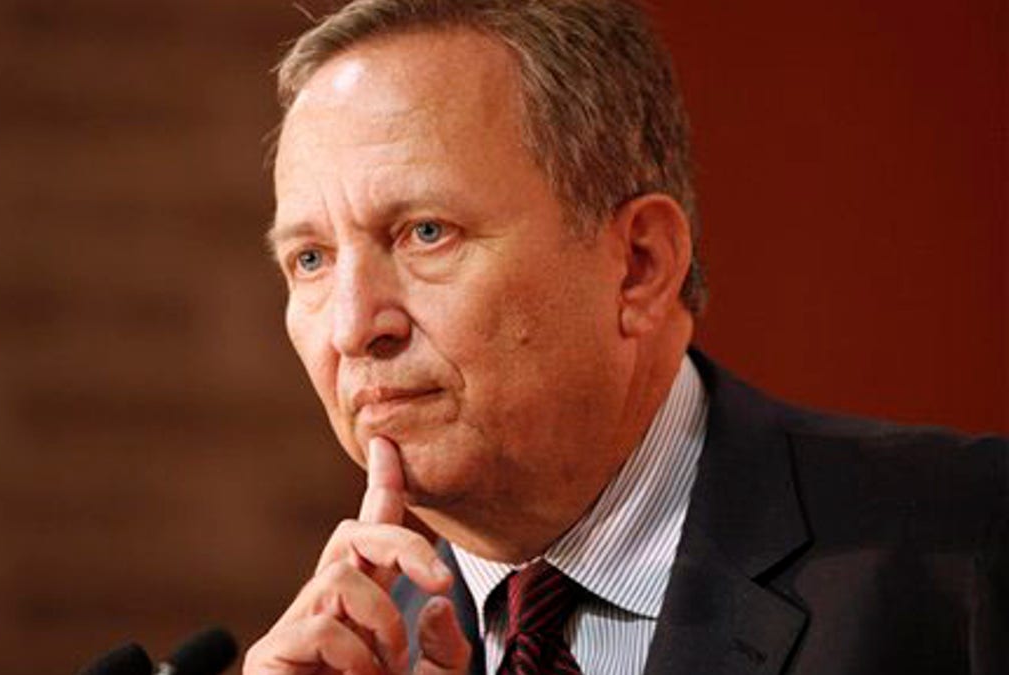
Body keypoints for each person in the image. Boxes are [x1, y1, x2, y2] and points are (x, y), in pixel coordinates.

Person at [244, 1, 1007, 674]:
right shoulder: (363, 651)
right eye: (309, 258)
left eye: (426, 233)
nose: (352, 325)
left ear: (639, 265)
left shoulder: (970, 547)